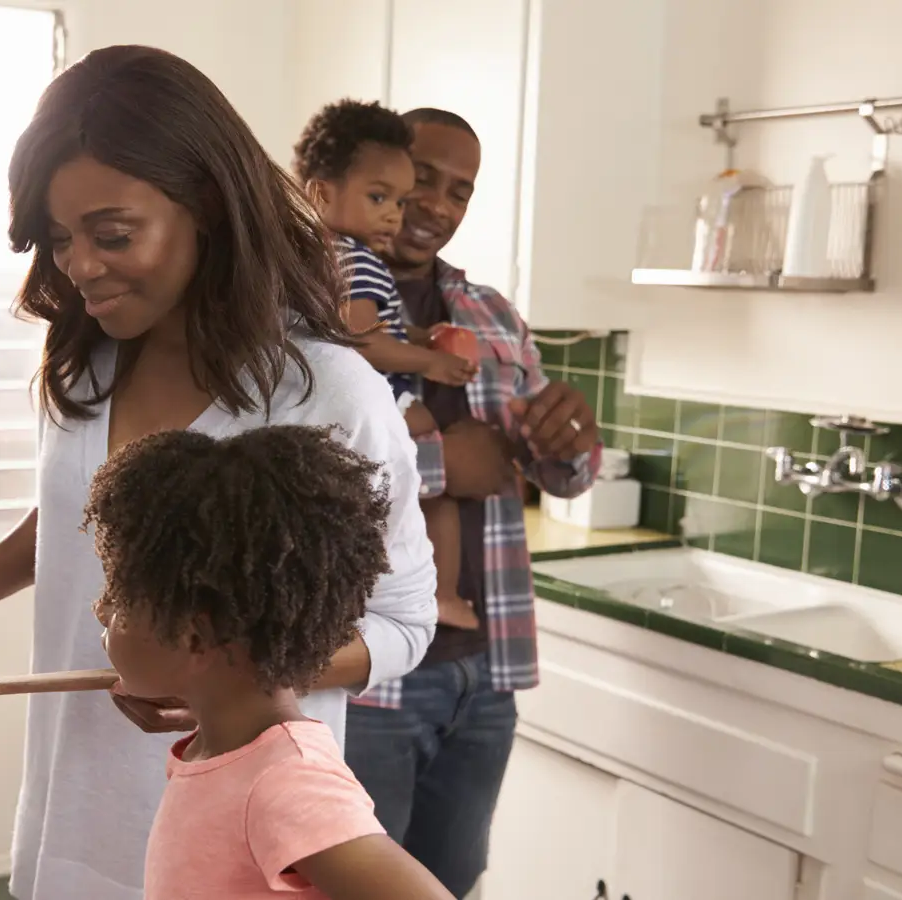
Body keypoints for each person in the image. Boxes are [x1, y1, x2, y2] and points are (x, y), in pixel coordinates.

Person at [0, 46, 437, 900]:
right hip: (68, 815)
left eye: (112, 234)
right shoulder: (89, 364)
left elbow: (404, 625)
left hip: (234, 847)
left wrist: (225, 673)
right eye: (59, 239)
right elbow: (75, 520)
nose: (78, 266)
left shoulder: (326, 395)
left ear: (205, 204)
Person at [343, 107, 604, 897]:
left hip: (485, 675)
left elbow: (560, 472)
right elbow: (291, 466)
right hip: (368, 672)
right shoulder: (323, 301)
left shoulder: (492, 312)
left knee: (454, 883)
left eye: (462, 192)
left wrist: (572, 447)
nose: (437, 206)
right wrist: (438, 462)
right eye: (423, 179)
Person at [85, 425, 456, 900]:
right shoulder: (218, 752)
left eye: (122, 600)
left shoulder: (287, 782)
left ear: (196, 636)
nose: (103, 609)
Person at [291, 99, 480, 632]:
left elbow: (375, 325)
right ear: (323, 194)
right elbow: (360, 338)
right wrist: (430, 361)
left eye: (396, 199)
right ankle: (438, 593)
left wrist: (420, 336)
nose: (396, 214)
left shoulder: (316, 255)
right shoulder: (356, 259)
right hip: (378, 389)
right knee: (428, 459)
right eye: (382, 197)